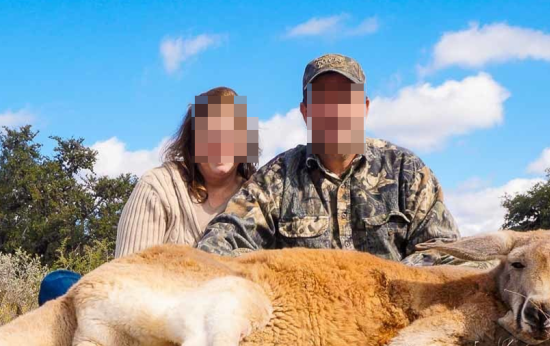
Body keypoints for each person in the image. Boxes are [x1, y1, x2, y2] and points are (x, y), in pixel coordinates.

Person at [196, 54, 460, 265]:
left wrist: (381, 284)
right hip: (306, 322)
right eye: (322, 101)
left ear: (365, 107)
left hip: (394, 317)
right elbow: (217, 247)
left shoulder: (407, 172)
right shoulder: (276, 179)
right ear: (305, 112)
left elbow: (449, 255)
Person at [37, 86, 257, 305]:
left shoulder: (263, 196)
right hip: (157, 310)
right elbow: (129, 278)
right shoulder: (157, 186)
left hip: (231, 316)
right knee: (58, 284)